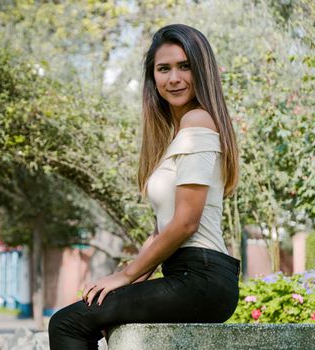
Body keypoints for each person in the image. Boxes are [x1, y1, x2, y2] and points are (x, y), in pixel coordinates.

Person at [48, 24, 241, 350]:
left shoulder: (198, 123)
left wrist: (123, 278)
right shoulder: (179, 134)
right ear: (153, 78)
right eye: (163, 69)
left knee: (67, 323)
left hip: (202, 279)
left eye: (185, 66)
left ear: (202, 71)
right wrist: (128, 279)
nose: (174, 78)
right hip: (188, 275)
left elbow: (186, 222)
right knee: (90, 311)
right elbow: (162, 229)